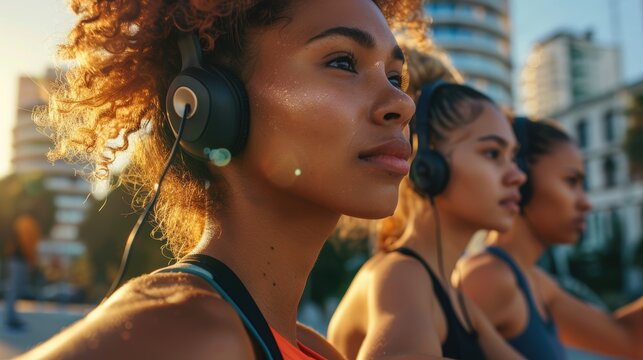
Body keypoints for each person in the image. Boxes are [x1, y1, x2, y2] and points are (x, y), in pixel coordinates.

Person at [22, 0, 423, 358]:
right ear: (207, 104)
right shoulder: (185, 332)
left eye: (393, 77)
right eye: (342, 62)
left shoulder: (316, 350)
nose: (402, 103)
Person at [327, 44, 527, 359]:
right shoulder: (401, 276)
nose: (518, 176)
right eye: (492, 153)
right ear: (425, 162)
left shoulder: (454, 296)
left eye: (513, 157)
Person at [458, 117, 643, 359]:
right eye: (571, 181)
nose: (585, 202)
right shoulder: (489, 277)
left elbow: (629, 340)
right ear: (520, 178)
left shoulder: (535, 283)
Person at [4, 208, 42, 330]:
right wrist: (31, 259)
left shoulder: (21, 222)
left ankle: (11, 316)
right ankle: (10, 317)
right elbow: (27, 243)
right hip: (20, 259)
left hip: (16, 258)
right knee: (14, 288)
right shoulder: (28, 223)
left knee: (15, 289)